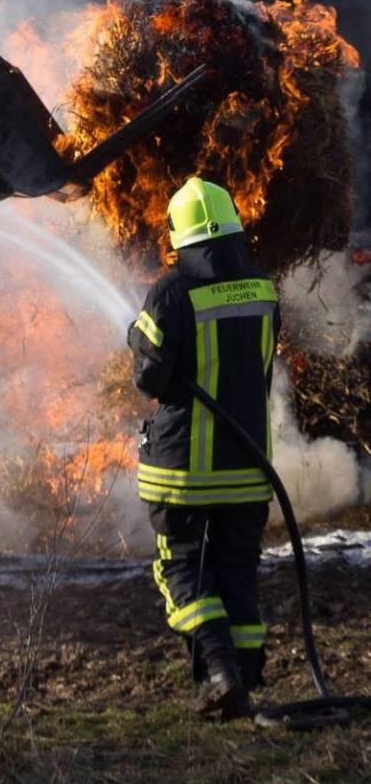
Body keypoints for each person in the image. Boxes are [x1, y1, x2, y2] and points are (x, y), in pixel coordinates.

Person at [127, 177, 281, 720]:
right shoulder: (264, 289)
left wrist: (138, 339)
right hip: (247, 468)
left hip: (185, 475)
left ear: (178, 235)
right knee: (237, 568)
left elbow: (151, 380)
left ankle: (219, 673)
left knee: (185, 570)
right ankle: (246, 674)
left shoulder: (171, 293)